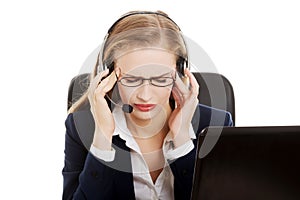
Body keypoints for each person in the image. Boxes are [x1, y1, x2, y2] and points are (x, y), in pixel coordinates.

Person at [63, 10, 233, 200]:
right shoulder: (81, 127)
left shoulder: (216, 124)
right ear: (109, 73)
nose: (145, 95)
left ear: (179, 73)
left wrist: (183, 140)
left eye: (160, 79)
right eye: (132, 79)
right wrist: (102, 138)